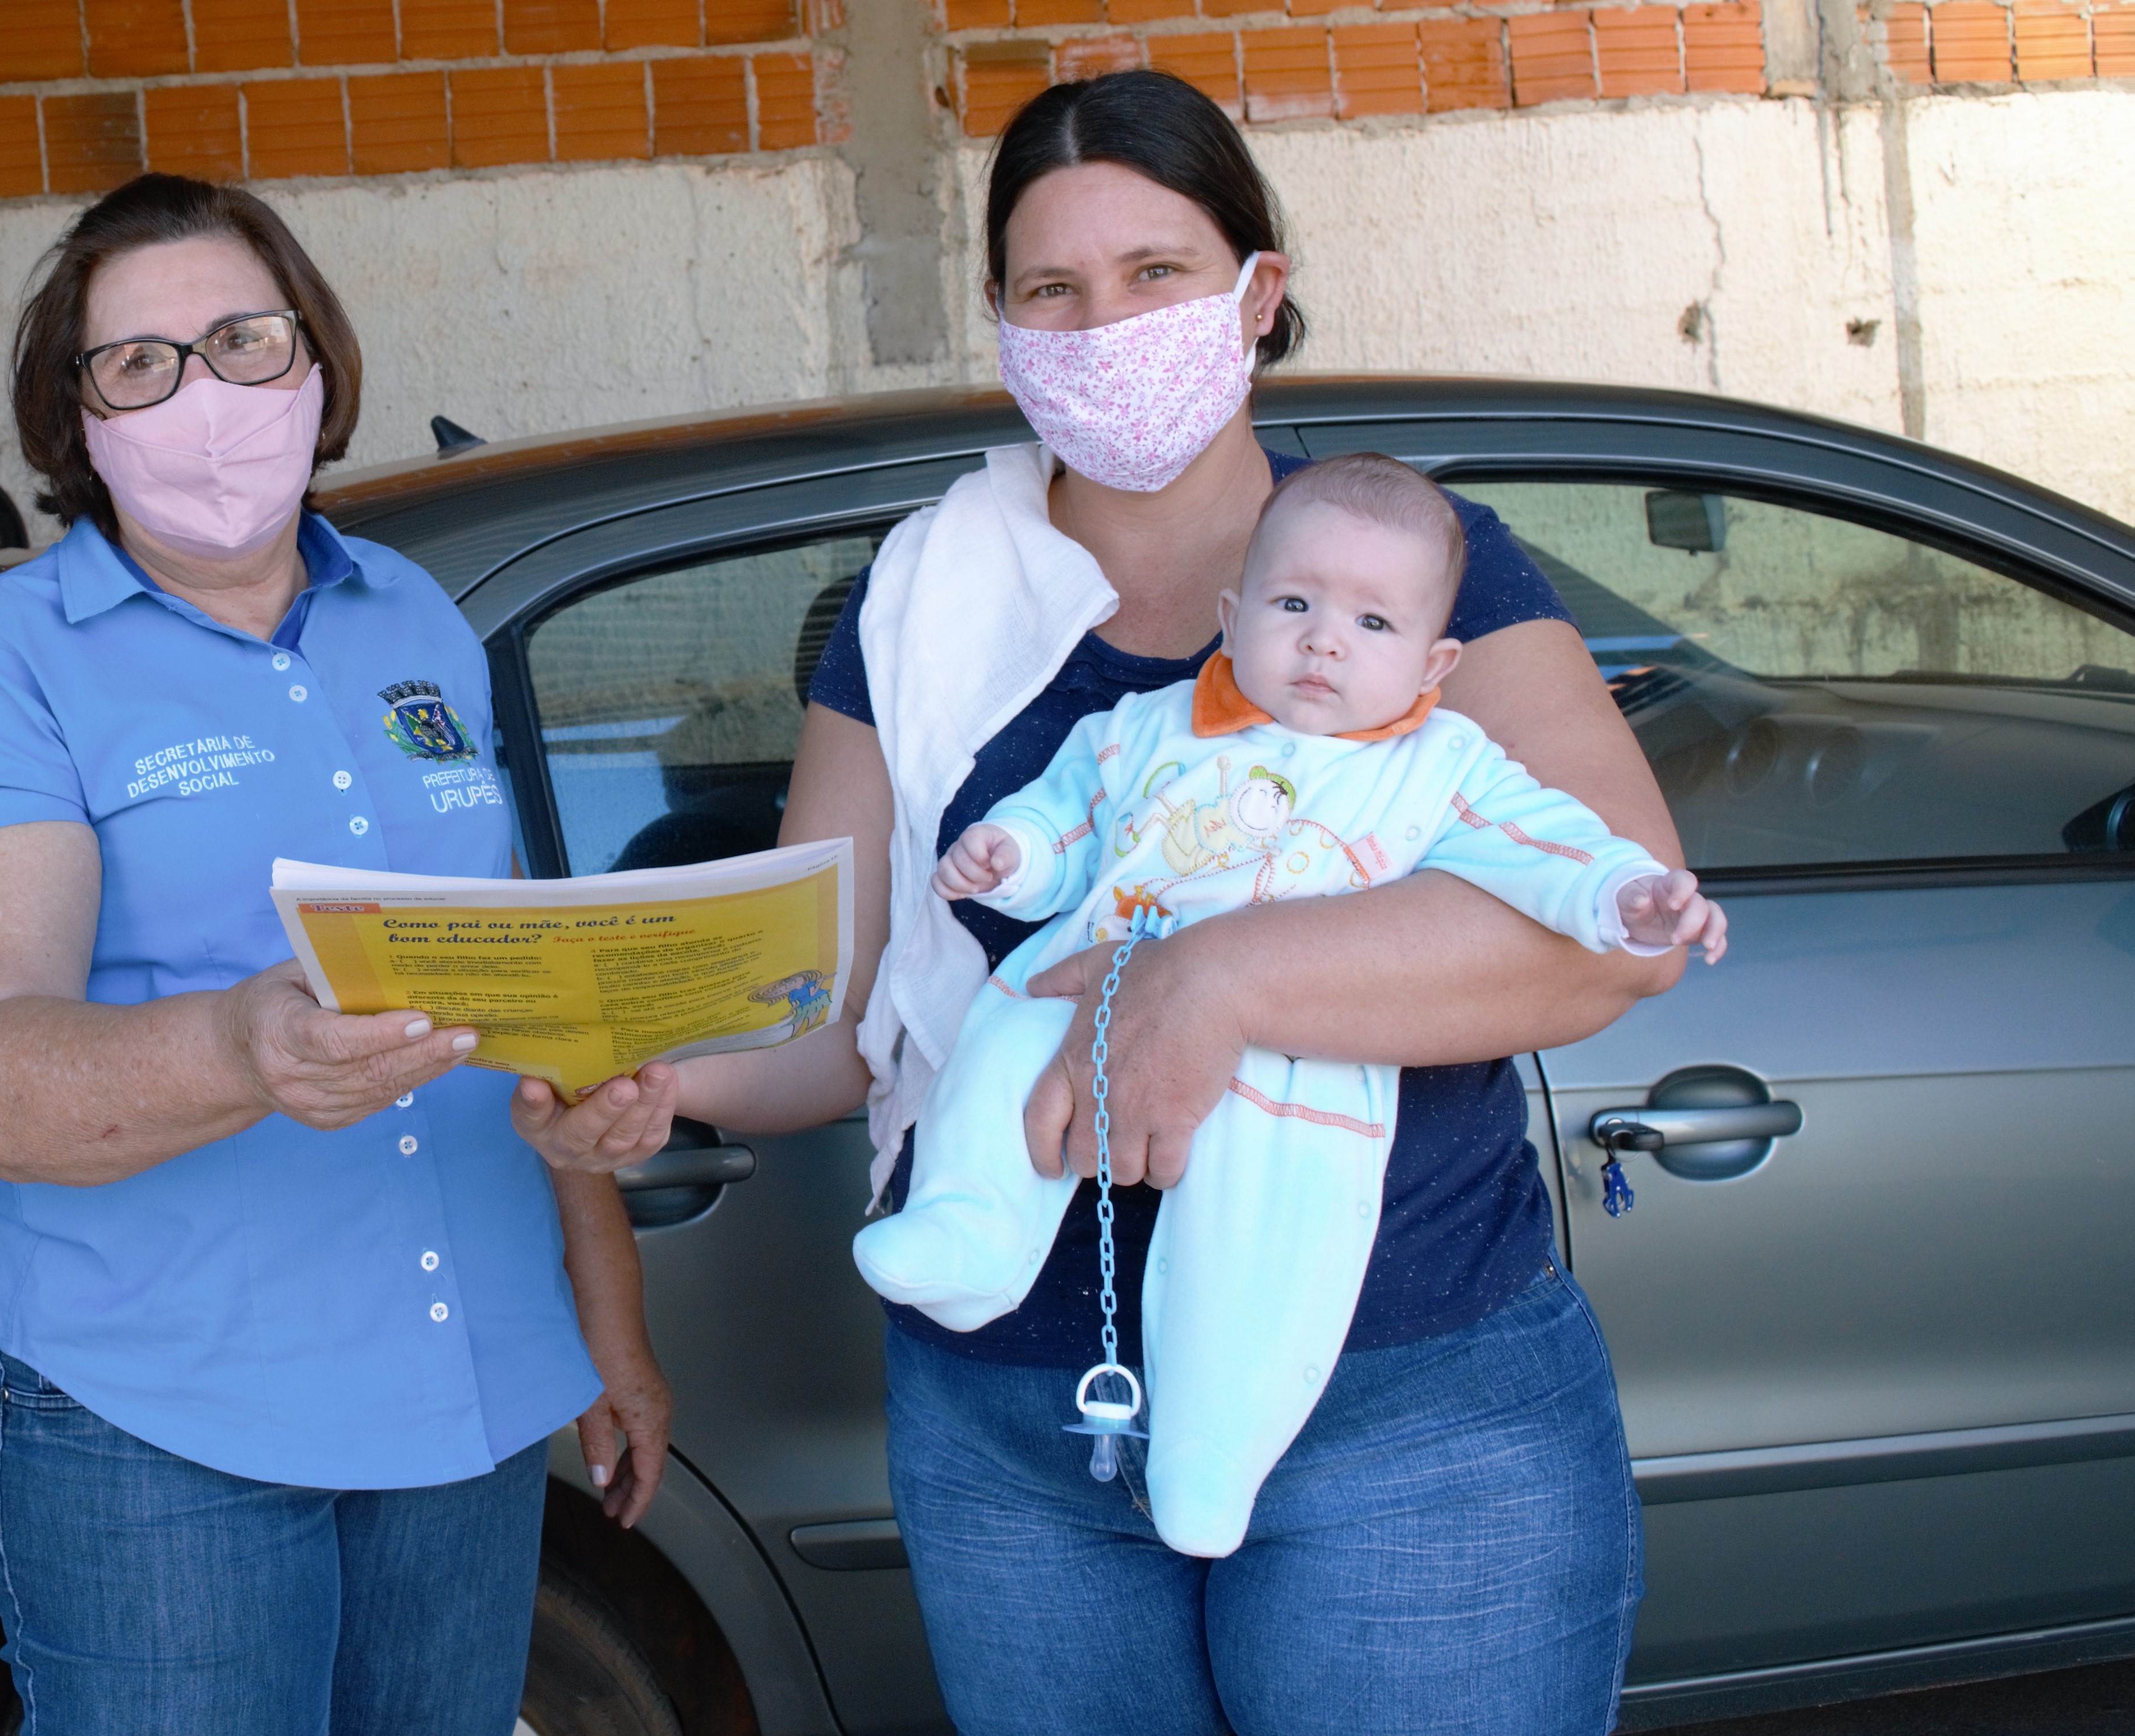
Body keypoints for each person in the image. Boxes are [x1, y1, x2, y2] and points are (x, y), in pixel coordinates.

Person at [531, 66, 1688, 1735]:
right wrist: (660, 1084)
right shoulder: (919, 608)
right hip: (1011, 1432)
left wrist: (1211, 978)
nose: (1104, 323)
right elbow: (842, 1019)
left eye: (1154, 275)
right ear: (1001, 325)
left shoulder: (1409, 571)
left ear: (1254, 295)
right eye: (1051, 291)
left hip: (1408, 1409)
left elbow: (1605, 931)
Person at [0, 174, 677, 1734]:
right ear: (76, 418)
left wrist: (609, 1315)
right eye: (140, 363)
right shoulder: (11, 662)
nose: (205, 393)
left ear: (314, 366)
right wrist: (241, 1049)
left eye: (241, 339)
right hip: (162, 1418)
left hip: (469, 1396)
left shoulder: (416, 620)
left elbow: (517, 980)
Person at [853, 452, 1725, 1558]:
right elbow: (1065, 819)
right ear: (1233, 614)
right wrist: (1009, 856)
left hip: (1298, 1059)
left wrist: (1627, 897)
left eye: (1372, 622)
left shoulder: (1443, 765)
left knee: (1269, 1247)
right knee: (1003, 1035)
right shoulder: (1145, 726)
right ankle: (971, 1229)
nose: (1324, 640)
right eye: (1295, 603)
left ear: (1434, 659)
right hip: (1092, 974)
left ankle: (1213, 1451)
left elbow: (1547, 850)